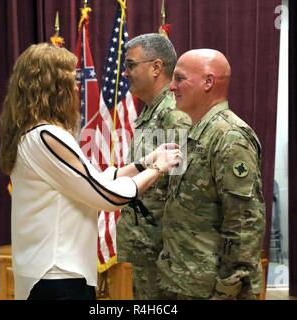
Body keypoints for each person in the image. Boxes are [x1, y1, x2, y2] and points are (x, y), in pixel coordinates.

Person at [0, 43, 182, 300]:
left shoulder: (32, 133)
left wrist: (142, 163)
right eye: (70, 80)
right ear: (53, 87)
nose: (76, 88)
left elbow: (92, 180)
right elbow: (108, 196)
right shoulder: (48, 135)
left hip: (49, 273)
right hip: (58, 276)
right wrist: (156, 169)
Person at [157, 49, 266, 300]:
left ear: (208, 82)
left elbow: (244, 223)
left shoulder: (230, 136)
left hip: (211, 290)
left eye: (180, 79)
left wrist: (227, 289)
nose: (171, 87)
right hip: (182, 282)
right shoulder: (196, 132)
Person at [116, 33, 191, 299]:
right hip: (146, 246)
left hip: (165, 250)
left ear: (156, 67)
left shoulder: (173, 114)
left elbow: (183, 188)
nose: (125, 73)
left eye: (131, 65)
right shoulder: (150, 111)